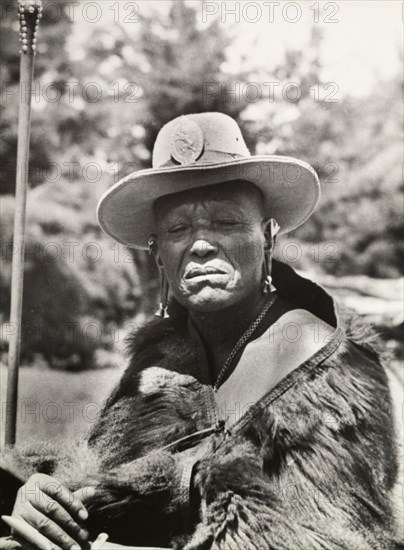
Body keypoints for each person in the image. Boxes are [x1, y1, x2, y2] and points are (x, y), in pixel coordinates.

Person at [0, 112, 401, 550]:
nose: (202, 243)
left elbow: (335, 539)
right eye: (178, 229)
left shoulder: (327, 364)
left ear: (267, 237)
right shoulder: (157, 359)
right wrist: (43, 501)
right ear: (158, 255)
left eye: (227, 222)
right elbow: (95, 477)